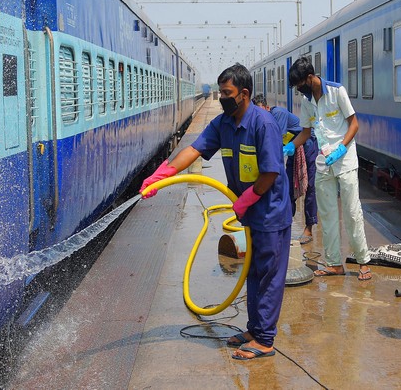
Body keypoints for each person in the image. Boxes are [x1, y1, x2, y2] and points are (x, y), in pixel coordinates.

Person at [140, 64, 292, 360]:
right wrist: (164, 174)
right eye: (220, 92)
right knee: (254, 272)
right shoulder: (223, 124)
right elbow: (194, 150)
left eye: (226, 93)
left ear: (244, 94)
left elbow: (272, 171)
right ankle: (254, 329)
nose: (221, 97)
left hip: (270, 212)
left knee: (270, 276)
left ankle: (265, 340)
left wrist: (247, 198)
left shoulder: (264, 125)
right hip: (250, 212)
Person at [284, 56, 372, 281]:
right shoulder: (306, 101)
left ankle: (363, 262)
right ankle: (334, 263)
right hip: (323, 162)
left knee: (352, 211)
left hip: (344, 160)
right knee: (328, 214)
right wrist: (289, 148)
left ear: (310, 77)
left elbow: (354, 123)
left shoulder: (336, 91)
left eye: (300, 85)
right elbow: (305, 132)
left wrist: (342, 149)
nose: (299, 90)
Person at [252, 94, 318, 243]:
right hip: (292, 148)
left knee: (309, 187)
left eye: (262, 111)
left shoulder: (278, 114)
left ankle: (309, 228)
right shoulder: (262, 120)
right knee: (288, 188)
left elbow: (276, 141)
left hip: (307, 146)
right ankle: (284, 226)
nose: (261, 116)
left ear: (268, 108)